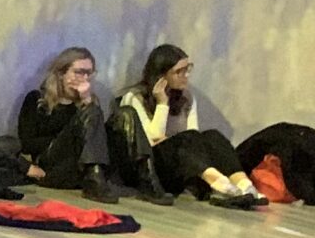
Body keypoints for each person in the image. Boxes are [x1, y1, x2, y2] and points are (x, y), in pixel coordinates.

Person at [113, 45, 266, 208]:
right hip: (152, 170)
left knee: (212, 136)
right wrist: (162, 103)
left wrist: (175, 141)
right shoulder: (134, 98)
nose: (185, 76)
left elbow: (194, 137)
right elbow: (152, 138)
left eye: (187, 69)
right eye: (179, 72)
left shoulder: (186, 98)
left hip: (181, 165)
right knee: (186, 139)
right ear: (161, 76)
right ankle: (220, 184)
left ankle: (244, 185)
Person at [15, 46, 114, 198]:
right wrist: (67, 136)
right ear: (61, 73)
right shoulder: (37, 99)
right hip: (49, 168)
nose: (84, 78)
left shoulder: (89, 104)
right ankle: (95, 181)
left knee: (98, 113)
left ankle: (95, 178)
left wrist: (86, 102)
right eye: (79, 72)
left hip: (77, 169)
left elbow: (96, 144)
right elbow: (27, 144)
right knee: (90, 112)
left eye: (89, 73)